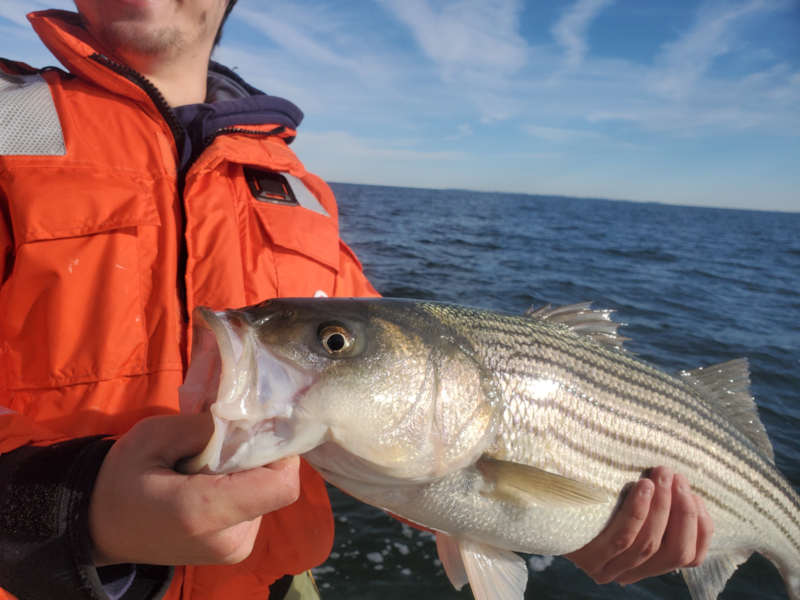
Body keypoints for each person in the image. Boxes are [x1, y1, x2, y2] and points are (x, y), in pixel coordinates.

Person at [0, 1, 712, 599]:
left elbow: (416, 423)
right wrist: (67, 511)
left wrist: (567, 521)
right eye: (331, 342)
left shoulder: (301, 192)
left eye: (331, 342)